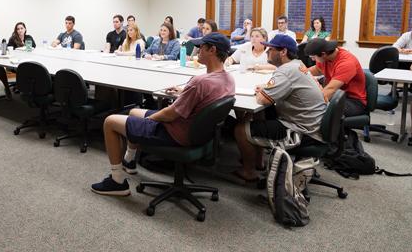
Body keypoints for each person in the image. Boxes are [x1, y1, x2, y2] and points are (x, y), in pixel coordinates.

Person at [90, 33, 235, 195]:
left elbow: (170, 114)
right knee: (134, 112)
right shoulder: (228, 79)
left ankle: (116, 182)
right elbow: (204, 98)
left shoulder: (200, 82)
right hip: (199, 133)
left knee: (110, 121)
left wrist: (150, 120)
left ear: (212, 50)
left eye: (201, 46)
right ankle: (129, 162)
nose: (197, 49)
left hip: (175, 133)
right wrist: (184, 92)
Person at [234, 34, 326, 182]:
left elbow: (262, 99)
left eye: (270, 49)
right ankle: (258, 162)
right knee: (261, 114)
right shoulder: (297, 65)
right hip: (315, 124)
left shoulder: (285, 71)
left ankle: (248, 171)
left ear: (283, 52)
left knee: (240, 129)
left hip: (303, 131)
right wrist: (267, 88)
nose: (267, 51)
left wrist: (261, 92)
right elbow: (287, 85)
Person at [304, 38, 367, 117]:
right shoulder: (325, 57)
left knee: (317, 110)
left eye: (313, 56)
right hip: (337, 95)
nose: (312, 59)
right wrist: (302, 73)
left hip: (354, 101)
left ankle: (329, 129)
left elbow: (331, 89)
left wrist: (307, 105)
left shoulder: (346, 63)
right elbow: (317, 69)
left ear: (323, 54)